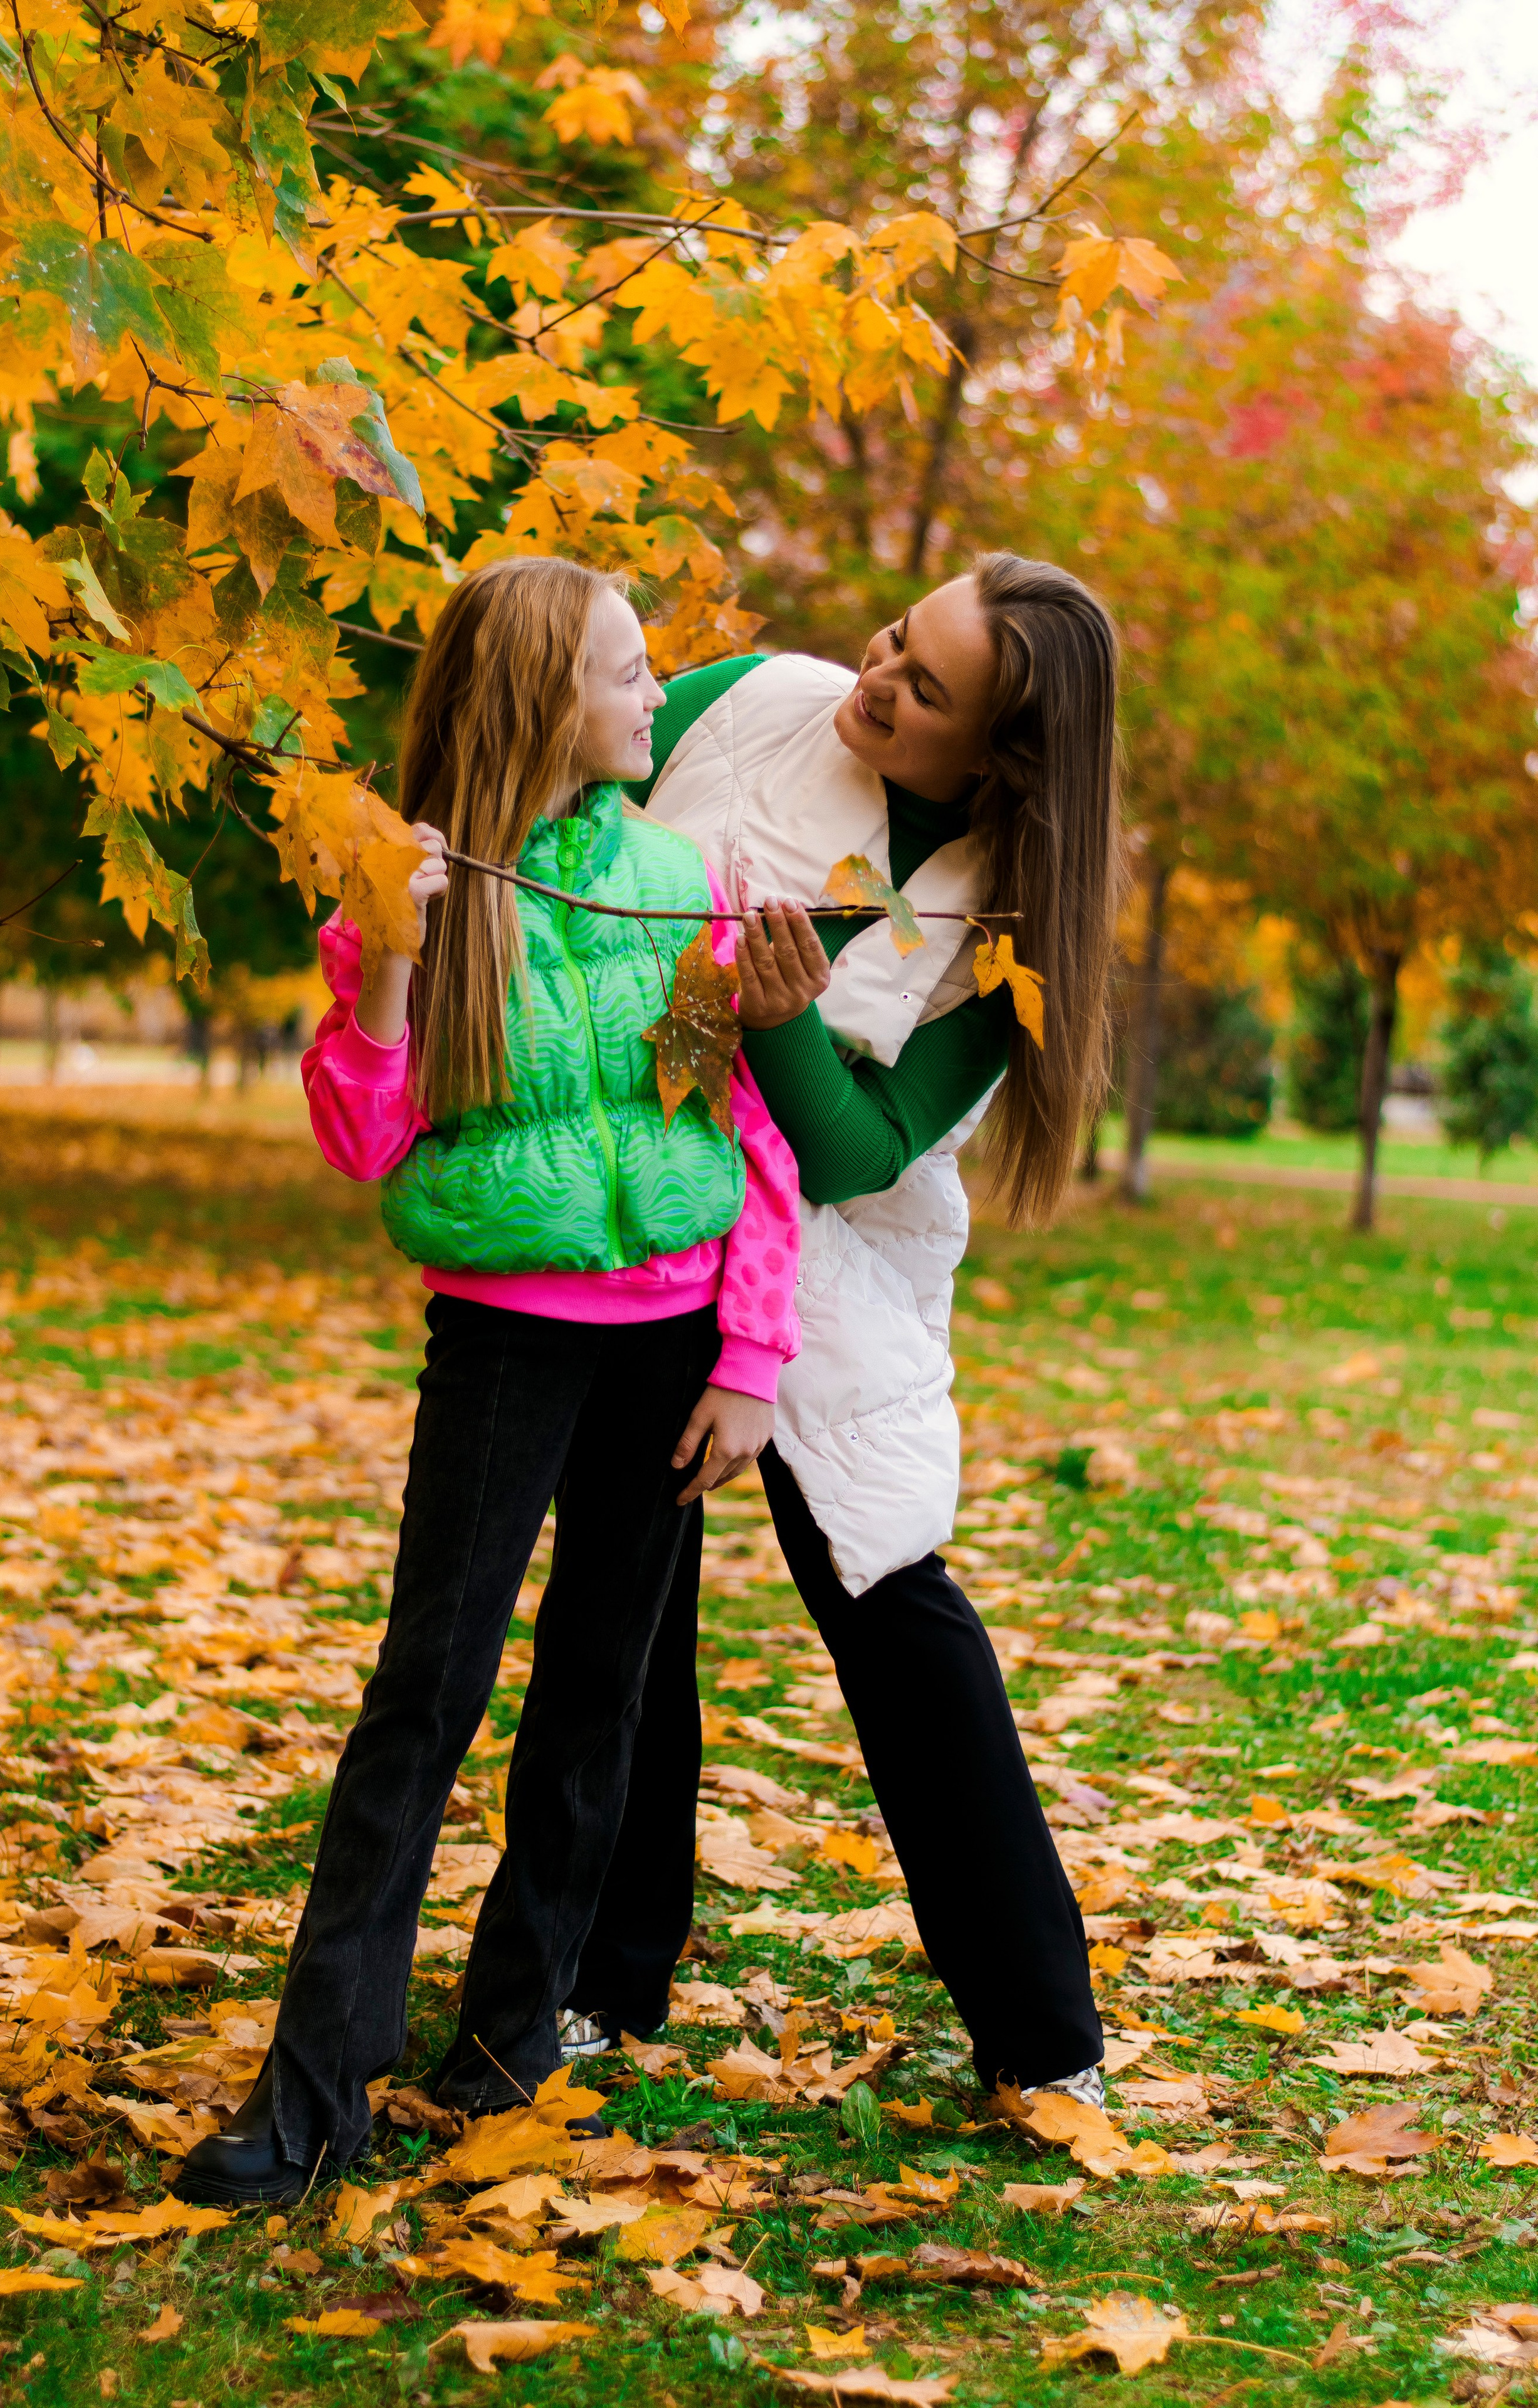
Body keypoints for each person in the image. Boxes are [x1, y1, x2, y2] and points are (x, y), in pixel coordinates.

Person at [174, 557, 801, 2206]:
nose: (657, 694)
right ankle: (314, 2095)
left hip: (671, 1337)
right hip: (507, 1337)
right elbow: (366, 1134)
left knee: (598, 1693)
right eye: (628, 671)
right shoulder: (413, 890)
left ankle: (513, 2040)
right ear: (545, 701)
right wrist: (388, 961)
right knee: (428, 1689)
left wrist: (753, 1354)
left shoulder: (679, 878)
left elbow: (738, 1124)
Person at [559, 554, 1119, 2106]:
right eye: (894, 638)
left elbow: (865, 1152)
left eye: (925, 688)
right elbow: (566, 793)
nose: (875, 679)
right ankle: (604, 1978)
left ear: (999, 755)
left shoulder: (1011, 924)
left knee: (890, 1606)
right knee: (627, 1604)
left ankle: (1040, 2035)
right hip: (647, 1208)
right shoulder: (754, 703)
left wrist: (782, 1019)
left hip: (829, 1274)